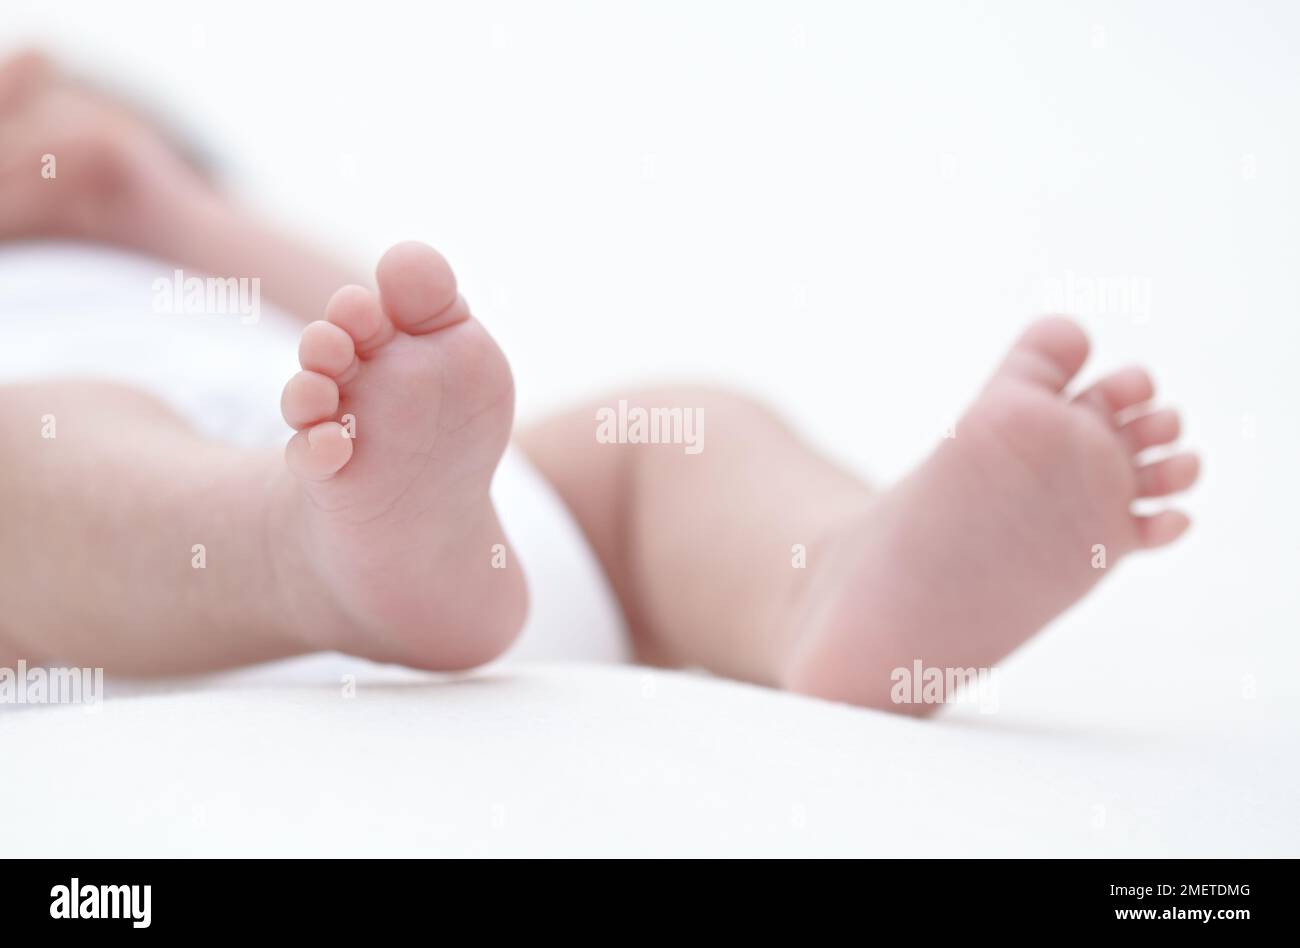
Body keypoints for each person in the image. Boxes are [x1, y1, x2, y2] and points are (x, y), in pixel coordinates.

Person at [0, 51, 1199, 713]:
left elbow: (394, 344)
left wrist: (152, 203)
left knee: (674, 438)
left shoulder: (194, 254)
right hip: (151, 588)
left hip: (461, 534)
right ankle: (305, 556)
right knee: (32, 456)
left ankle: (828, 586)